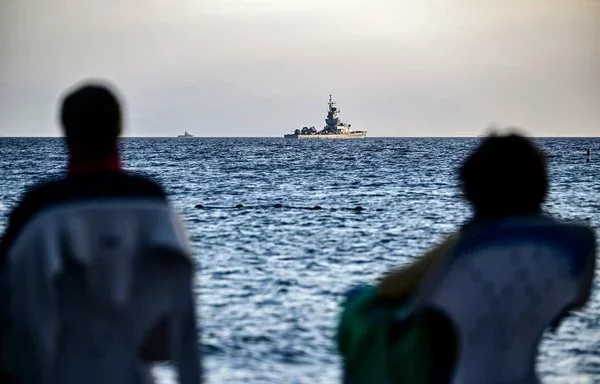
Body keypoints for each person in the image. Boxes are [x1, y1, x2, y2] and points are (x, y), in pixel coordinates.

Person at [0, 82, 202, 384]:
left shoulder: (39, 213)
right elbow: (178, 334)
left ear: (66, 132)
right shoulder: (157, 209)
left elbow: (15, 318)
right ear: (119, 129)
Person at [375, 133, 596, 383]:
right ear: (541, 185)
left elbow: (391, 293)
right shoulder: (577, 245)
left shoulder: (465, 248)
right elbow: (576, 301)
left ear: (471, 189)